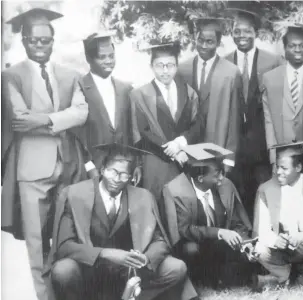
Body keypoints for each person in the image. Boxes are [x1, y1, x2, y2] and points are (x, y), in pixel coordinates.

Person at [2, 8, 88, 300]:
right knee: (37, 245)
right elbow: (18, 118)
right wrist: (61, 119)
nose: (40, 46)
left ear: (53, 41)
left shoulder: (69, 75)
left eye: (45, 40)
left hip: (67, 166)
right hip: (32, 170)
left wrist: (44, 120)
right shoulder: (11, 76)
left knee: (67, 238)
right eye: (33, 40)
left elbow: (82, 113)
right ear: (24, 41)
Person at [45, 143, 198, 300]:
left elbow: (160, 241)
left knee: (176, 268)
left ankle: (131, 297)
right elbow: (64, 246)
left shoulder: (144, 197)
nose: (117, 179)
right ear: (102, 169)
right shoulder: (75, 194)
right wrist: (106, 253)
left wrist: (146, 258)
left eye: (124, 175)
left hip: (128, 272)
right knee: (63, 270)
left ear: (131, 178)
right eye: (112, 172)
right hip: (89, 270)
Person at [162, 143, 254, 287]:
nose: (222, 178)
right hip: (193, 244)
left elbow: (236, 222)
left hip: (218, 247)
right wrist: (219, 232)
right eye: (217, 175)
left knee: (243, 258)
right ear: (200, 178)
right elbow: (185, 230)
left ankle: (220, 277)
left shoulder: (224, 185)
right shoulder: (176, 191)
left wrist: (246, 244)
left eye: (221, 172)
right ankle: (198, 281)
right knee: (190, 249)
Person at [224, 8, 283, 219]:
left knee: (265, 195)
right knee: (238, 198)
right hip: (235, 147)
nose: (242, 36)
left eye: (247, 31)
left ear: (255, 32)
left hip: (261, 147)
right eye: (237, 31)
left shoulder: (272, 61)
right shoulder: (224, 63)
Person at [252, 141, 303, 286]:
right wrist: (275, 240)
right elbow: (262, 230)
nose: (278, 172)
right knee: (260, 249)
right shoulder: (266, 189)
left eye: (284, 168)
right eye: (277, 167)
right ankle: (296, 277)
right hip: (284, 252)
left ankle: (287, 278)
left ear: (298, 167)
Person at [130, 41, 204, 204]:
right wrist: (171, 151)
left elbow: (197, 124)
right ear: (151, 66)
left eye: (170, 65)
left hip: (184, 159)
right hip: (156, 161)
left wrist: (180, 143)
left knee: (182, 207)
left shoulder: (189, 92)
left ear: (177, 66)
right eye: (159, 65)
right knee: (157, 203)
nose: (165, 71)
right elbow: (142, 131)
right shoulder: (140, 95)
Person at [178, 18, 243, 170]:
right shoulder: (183, 69)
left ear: (218, 42)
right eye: (200, 40)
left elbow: (235, 120)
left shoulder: (231, 72)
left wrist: (229, 158)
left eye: (210, 41)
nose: (204, 46)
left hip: (216, 145)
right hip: (188, 148)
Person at [78, 31, 140, 182]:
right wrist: (89, 167)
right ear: (89, 58)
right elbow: (76, 136)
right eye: (102, 57)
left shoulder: (126, 89)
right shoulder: (79, 88)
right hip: (93, 171)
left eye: (111, 56)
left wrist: (137, 165)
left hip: (124, 171)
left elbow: (133, 133)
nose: (109, 61)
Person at [261, 23, 303, 167]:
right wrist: (273, 154)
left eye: (302, 45)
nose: (297, 50)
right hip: (282, 154)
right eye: (292, 46)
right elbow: (269, 120)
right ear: (285, 48)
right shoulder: (270, 78)